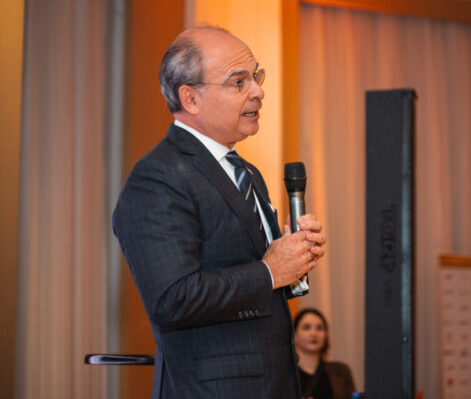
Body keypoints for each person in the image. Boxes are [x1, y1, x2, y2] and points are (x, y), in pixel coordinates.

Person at [112, 25, 326, 399]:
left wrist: (292, 260)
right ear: (191, 99)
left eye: (256, 77)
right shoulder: (158, 176)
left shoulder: (247, 172)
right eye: (238, 82)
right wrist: (270, 271)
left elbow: (255, 286)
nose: (258, 91)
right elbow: (173, 299)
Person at [294, 308, 356, 399]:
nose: (313, 333)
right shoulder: (284, 374)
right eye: (306, 327)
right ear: (294, 335)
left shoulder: (341, 371)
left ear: (326, 335)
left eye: (319, 328)